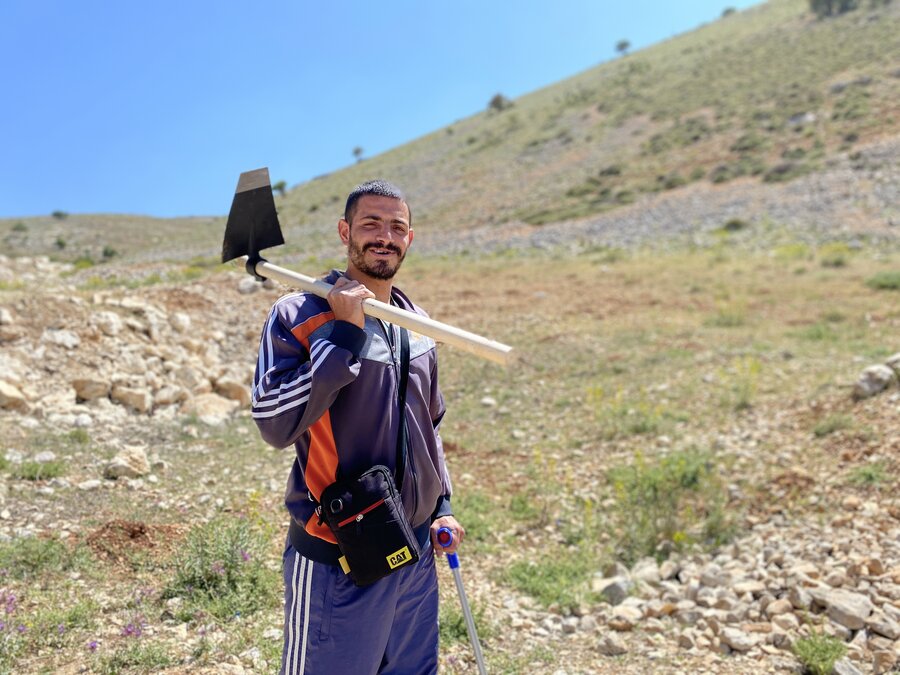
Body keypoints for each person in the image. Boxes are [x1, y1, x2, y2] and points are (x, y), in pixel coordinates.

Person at [251, 179, 465, 674]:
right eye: (371, 223)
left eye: (397, 227)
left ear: (409, 239)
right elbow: (273, 421)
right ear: (346, 231)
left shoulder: (418, 323)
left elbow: (429, 426)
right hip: (338, 557)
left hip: (412, 554)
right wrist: (344, 333)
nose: (384, 236)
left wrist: (443, 508)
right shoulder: (299, 315)